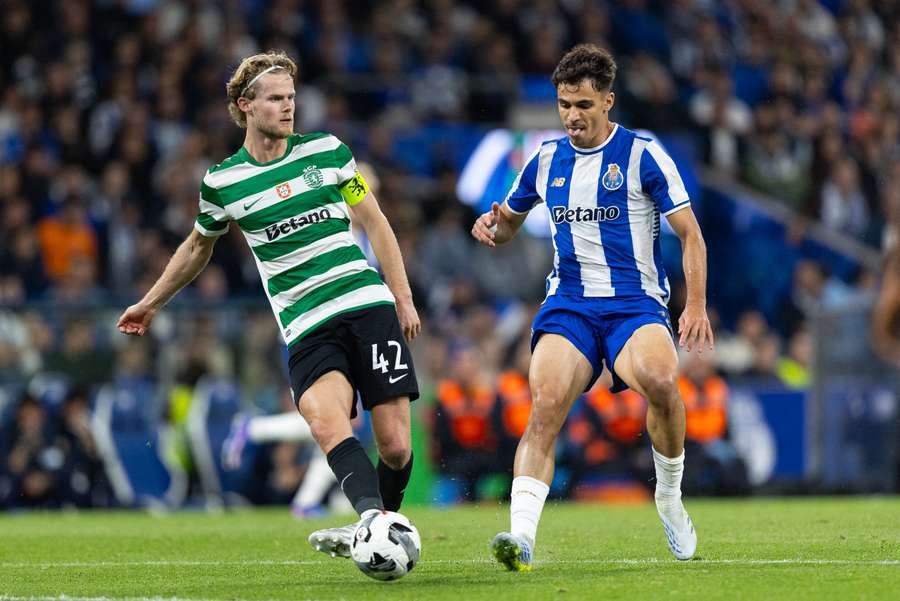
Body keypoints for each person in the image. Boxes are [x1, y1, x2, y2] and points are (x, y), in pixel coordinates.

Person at [117, 51, 421, 560]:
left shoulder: (328, 152)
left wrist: (403, 296)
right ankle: (371, 526)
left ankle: (373, 525)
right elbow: (198, 247)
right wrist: (151, 302)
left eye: (292, 98)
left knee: (395, 448)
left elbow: (374, 221)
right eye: (276, 99)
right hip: (305, 324)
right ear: (246, 106)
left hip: (366, 305)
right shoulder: (223, 182)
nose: (288, 107)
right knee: (327, 423)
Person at [471, 44, 714, 570]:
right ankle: (521, 538)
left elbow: (690, 234)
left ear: (608, 101)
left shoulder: (643, 155)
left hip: (635, 304)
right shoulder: (544, 160)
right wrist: (494, 227)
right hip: (571, 306)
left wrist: (694, 304)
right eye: (564, 105)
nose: (572, 116)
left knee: (662, 383)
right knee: (546, 404)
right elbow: (510, 221)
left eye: (583, 105)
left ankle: (669, 498)